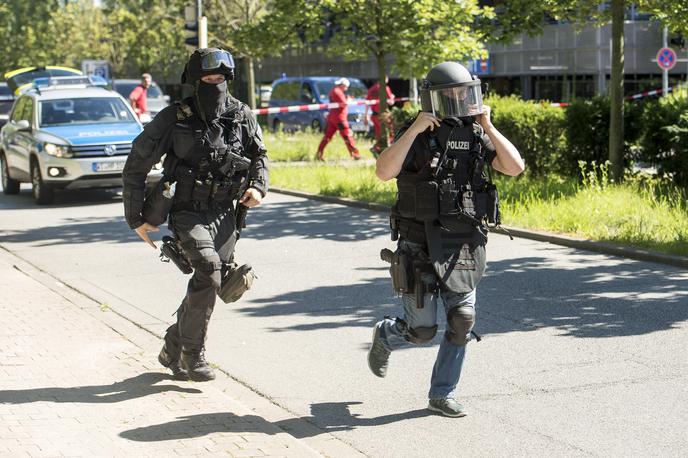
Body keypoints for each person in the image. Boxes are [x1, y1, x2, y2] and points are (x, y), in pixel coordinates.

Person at [368, 61, 524, 417]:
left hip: (463, 243)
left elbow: (515, 167)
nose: (458, 99)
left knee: (462, 319)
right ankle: (387, 334)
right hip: (418, 244)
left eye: (463, 92)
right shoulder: (419, 135)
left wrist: (488, 125)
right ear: (432, 99)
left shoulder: (475, 133)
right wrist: (416, 127)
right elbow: (383, 171)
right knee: (421, 331)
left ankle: (442, 393)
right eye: (450, 94)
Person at [122, 48, 268, 382]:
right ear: (194, 80)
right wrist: (136, 217)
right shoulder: (175, 118)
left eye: (220, 78)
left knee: (215, 281)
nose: (214, 84)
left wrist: (258, 187)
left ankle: (173, 345)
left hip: (226, 214)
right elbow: (137, 163)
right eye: (207, 79)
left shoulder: (241, 114)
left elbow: (259, 154)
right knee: (208, 269)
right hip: (187, 211)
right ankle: (192, 355)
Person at [316, 77, 361, 161]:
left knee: (327, 137)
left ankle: (319, 153)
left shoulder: (334, 91)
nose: (346, 89)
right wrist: (349, 99)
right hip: (340, 118)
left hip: (333, 117)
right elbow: (344, 104)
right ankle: (355, 154)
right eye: (346, 87)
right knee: (347, 136)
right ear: (343, 85)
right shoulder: (338, 91)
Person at [364, 76, 395, 158]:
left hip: (374, 116)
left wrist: (366, 116)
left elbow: (367, 103)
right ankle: (381, 150)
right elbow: (391, 102)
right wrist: (392, 97)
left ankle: (378, 150)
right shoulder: (385, 88)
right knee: (390, 132)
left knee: (379, 134)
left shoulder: (371, 89)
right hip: (383, 115)